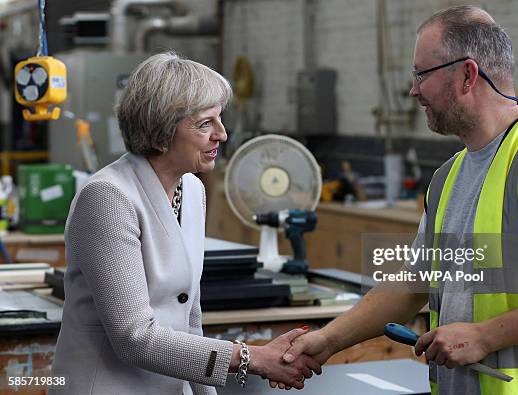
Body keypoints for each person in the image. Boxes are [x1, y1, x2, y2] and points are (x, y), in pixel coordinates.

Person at [274, 6, 518, 395]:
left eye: (422, 74)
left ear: (468, 74)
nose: (414, 90)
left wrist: (484, 336)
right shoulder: (448, 177)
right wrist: (326, 341)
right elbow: (412, 285)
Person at [50, 52, 319, 395]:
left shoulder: (191, 190)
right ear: (160, 131)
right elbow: (134, 338)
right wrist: (252, 358)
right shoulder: (107, 198)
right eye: (205, 123)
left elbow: (189, 317)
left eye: (220, 120)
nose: (221, 134)